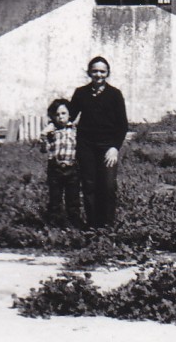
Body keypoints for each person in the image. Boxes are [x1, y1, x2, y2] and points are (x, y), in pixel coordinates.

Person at [69, 56, 128, 228]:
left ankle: (107, 227)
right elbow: (70, 115)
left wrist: (114, 148)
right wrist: (52, 125)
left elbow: (122, 125)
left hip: (107, 147)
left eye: (102, 71)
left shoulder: (115, 94)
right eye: (95, 71)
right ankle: (92, 226)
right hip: (86, 146)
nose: (98, 75)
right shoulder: (80, 93)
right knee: (89, 185)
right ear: (89, 72)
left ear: (108, 73)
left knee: (108, 186)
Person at [38, 98, 82, 228]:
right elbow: (43, 150)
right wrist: (44, 136)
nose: (60, 117)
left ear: (69, 115)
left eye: (63, 113)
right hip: (55, 168)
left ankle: (74, 224)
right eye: (57, 114)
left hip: (72, 168)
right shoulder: (52, 131)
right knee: (55, 198)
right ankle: (54, 223)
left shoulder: (75, 129)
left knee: (73, 198)